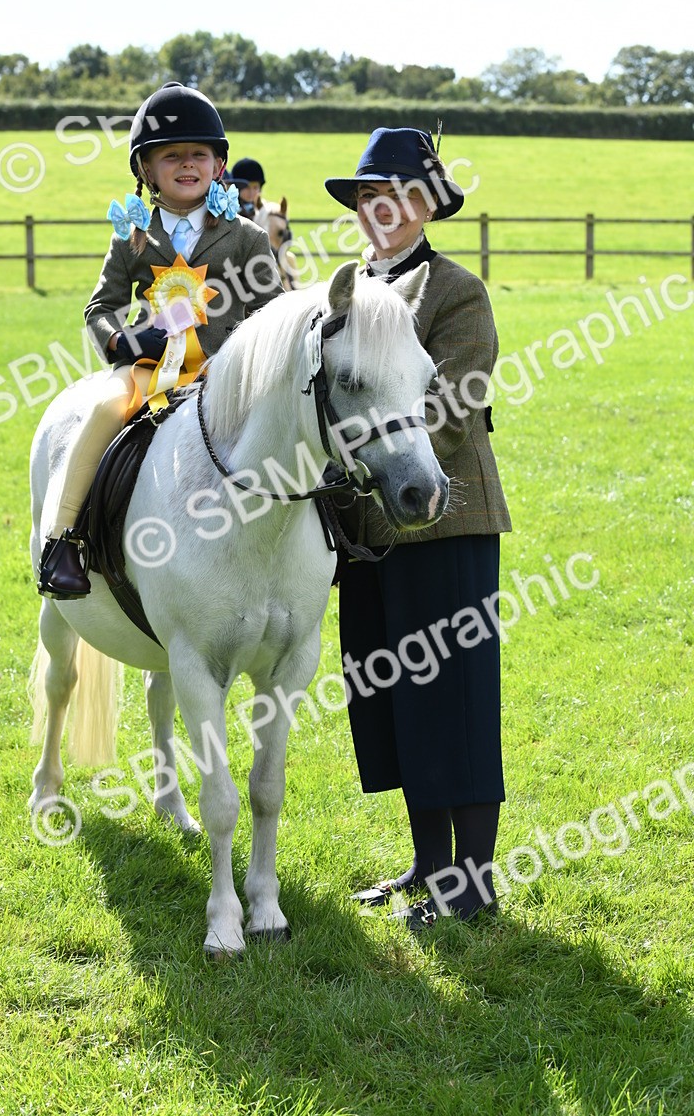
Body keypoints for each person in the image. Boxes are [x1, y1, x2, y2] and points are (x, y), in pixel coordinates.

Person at [324, 127, 512, 928]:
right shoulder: (346, 293)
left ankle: (471, 884)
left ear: (428, 204)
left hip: (446, 518)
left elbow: (454, 403)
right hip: (366, 526)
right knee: (394, 695)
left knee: (454, 696)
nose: (382, 210)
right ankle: (428, 866)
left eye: (398, 196)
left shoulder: (456, 291)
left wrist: (382, 460)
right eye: (370, 198)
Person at [37, 82, 283, 598]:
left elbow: (272, 317)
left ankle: (331, 528)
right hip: (149, 371)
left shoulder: (247, 236)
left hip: (226, 374)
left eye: (199, 154)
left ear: (219, 165)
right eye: (171, 156)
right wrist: (121, 344)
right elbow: (99, 306)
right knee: (103, 409)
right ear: (146, 169)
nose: (187, 164)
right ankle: (63, 541)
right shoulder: (133, 234)